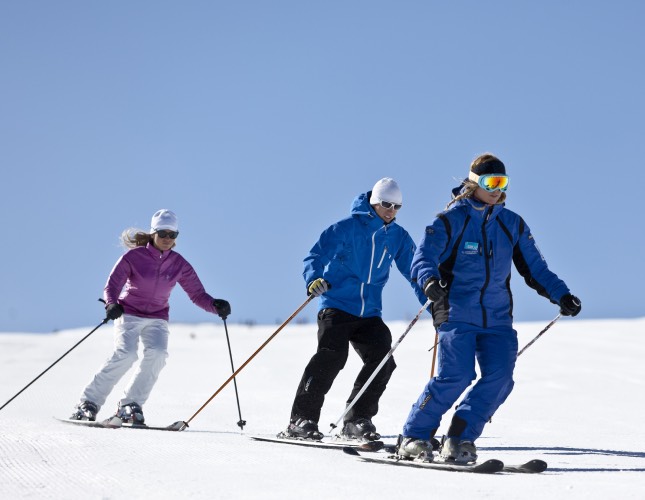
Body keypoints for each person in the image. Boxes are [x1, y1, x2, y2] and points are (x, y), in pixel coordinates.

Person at [398, 154, 581, 463]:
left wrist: (562, 295)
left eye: (502, 182)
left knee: (500, 378)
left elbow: (536, 269)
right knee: (455, 375)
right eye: (490, 182)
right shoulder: (451, 220)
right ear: (473, 183)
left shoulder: (512, 224)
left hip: (497, 317)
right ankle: (414, 436)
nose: (497, 189)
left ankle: (459, 437)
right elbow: (423, 257)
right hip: (456, 311)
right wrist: (429, 281)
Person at [283, 178, 427, 442]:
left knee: (383, 361)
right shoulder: (345, 228)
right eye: (386, 204)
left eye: (397, 207)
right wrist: (313, 279)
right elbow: (314, 257)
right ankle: (301, 420)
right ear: (374, 203)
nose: (391, 211)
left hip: (369, 312)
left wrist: (432, 301)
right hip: (337, 305)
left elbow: (415, 272)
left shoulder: (398, 237)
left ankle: (356, 419)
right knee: (332, 357)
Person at [70, 209, 231, 425]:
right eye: (163, 234)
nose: (167, 239)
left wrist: (214, 305)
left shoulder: (178, 263)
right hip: (129, 314)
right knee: (126, 354)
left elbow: (197, 294)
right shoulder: (134, 257)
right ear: (153, 233)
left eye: (172, 235)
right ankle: (88, 403)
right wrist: (111, 304)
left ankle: (130, 405)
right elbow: (113, 285)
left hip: (157, 317)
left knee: (158, 354)